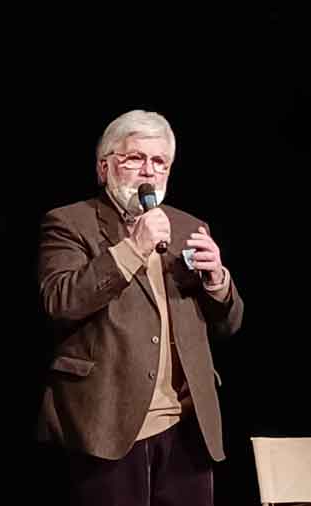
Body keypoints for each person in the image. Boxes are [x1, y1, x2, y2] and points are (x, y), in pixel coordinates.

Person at [36, 109, 244, 506]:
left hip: (188, 426)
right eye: (134, 158)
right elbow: (60, 301)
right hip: (108, 425)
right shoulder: (68, 222)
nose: (148, 171)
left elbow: (228, 325)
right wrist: (133, 248)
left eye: (159, 162)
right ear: (104, 168)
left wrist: (218, 279)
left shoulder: (188, 226)